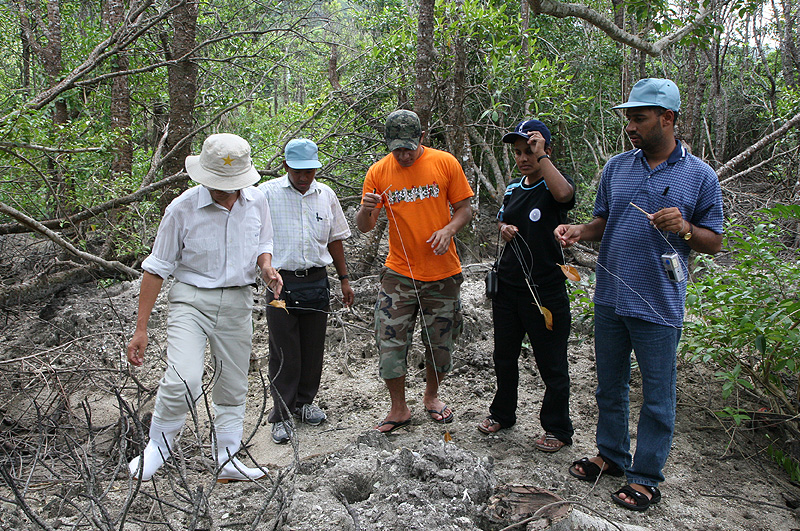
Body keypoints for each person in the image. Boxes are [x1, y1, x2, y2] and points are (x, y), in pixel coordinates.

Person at [555, 78, 723, 511]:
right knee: (609, 386)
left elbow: (714, 240)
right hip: (611, 298)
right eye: (628, 118)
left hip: (659, 303)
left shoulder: (700, 175)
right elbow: (602, 222)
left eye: (639, 117)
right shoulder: (617, 167)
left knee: (658, 395)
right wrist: (578, 231)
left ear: (667, 118)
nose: (630, 125)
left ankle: (646, 476)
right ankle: (611, 455)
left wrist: (684, 227)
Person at [127, 133, 283, 483]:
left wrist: (267, 267)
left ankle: (227, 456)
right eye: (216, 183)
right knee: (185, 377)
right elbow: (156, 268)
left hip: (238, 301)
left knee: (233, 381)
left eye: (230, 185)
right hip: (191, 299)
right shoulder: (181, 209)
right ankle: (158, 447)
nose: (223, 190)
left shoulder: (256, 201)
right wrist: (141, 328)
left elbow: (264, 241)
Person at [356, 109, 474, 433]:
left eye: (409, 147)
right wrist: (366, 209)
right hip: (399, 273)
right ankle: (398, 408)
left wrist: (449, 230)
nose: (404, 155)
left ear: (421, 138)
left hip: (442, 272)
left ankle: (432, 397)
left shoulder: (445, 163)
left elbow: (465, 209)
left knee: (441, 341)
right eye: (397, 149)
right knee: (389, 339)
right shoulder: (378, 172)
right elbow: (364, 227)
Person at [477, 119, 575, 454]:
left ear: (545, 148)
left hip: (544, 289)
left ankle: (558, 427)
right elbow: (503, 217)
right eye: (518, 152)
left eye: (529, 150)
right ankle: (502, 413)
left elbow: (565, 196)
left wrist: (542, 157)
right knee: (504, 355)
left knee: (551, 362)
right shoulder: (512, 188)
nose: (523, 157)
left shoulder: (552, 185)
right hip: (508, 287)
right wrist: (503, 228)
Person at [258, 138, 354, 445]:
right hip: (280, 282)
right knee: (284, 350)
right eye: (298, 170)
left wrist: (344, 278)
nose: (304, 177)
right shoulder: (266, 194)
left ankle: (304, 403)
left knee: (313, 348)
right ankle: (282, 413)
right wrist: (264, 269)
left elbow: (335, 238)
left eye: (310, 171)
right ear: (286, 166)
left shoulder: (325, 194)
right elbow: (256, 236)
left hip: (316, 279)